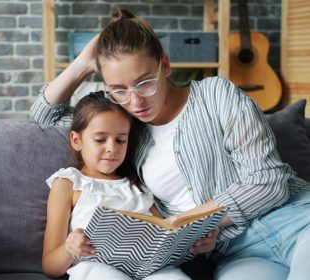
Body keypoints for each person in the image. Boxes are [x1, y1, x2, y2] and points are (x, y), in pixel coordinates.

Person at [32, 8, 310, 280]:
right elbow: (44, 115)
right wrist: (84, 63)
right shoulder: (126, 130)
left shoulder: (215, 94)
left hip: (296, 220)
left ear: (165, 65)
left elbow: (270, 182)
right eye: (119, 89)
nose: (135, 101)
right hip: (236, 253)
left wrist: (184, 224)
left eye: (144, 83)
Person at [41, 91, 209, 280]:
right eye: (100, 139)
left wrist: (198, 243)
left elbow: (166, 236)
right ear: (76, 141)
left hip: (148, 270)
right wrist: (69, 248)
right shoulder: (68, 183)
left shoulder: (136, 187)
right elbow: (50, 266)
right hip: (95, 269)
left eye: (120, 140)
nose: (112, 148)